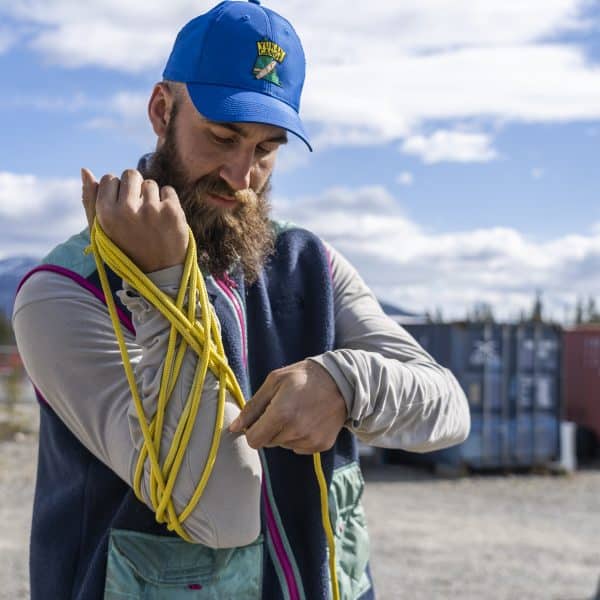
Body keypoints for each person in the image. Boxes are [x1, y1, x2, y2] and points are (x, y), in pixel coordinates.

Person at [12, 1, 470, 598]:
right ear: (161, 111)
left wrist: (346, 382)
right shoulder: (65, 292)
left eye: (265, 149)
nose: (240, 173)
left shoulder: (309, 266)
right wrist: (168, 283)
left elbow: (449, 409)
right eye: (222, 136)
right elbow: (219, 512)